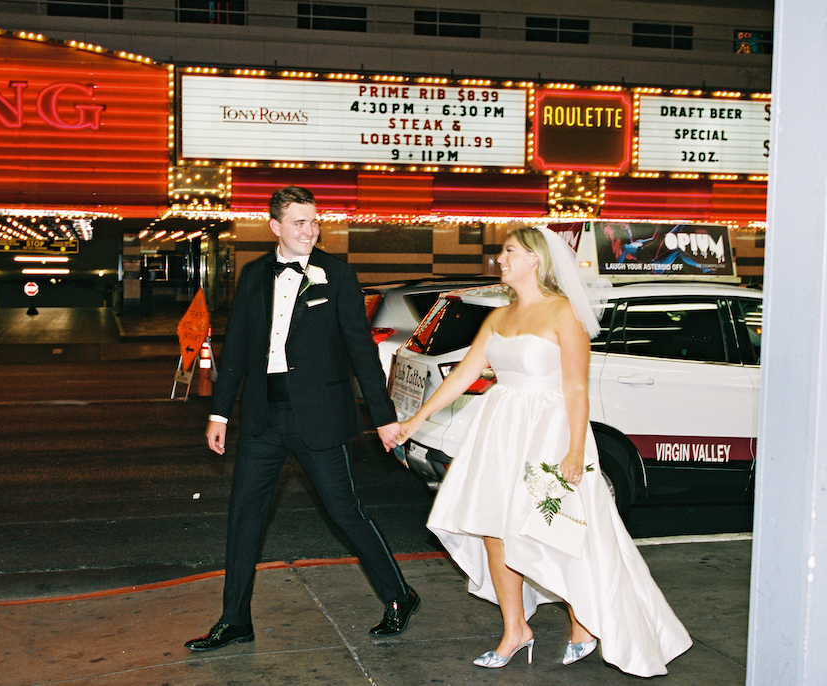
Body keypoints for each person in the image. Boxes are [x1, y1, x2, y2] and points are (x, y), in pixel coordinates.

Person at [397, 226, 692, 677]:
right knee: (493, 529)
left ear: (535, 260)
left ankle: (583, 621)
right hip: (500, 430)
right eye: (501, 252)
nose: (500, 258)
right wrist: (414, 421)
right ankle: (515, 629)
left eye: (509, 251)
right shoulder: (497, 318)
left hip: (549, 431)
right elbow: (461, 377)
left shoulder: (563, 312)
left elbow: (575, 386)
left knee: (555, 527)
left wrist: (575, 450)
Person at [185, 185, 418, 652]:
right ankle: (234, 619)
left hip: (318, 417)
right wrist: (219, 413)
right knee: (243, 517)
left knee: (344, 511)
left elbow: (361, 351)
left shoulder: (338, 275)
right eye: (299, 222)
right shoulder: (253, 276)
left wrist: (384, 417)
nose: (310, 230)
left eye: (314, 221)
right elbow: (237, 351)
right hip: (263, 419)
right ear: (275, 227)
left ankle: (399, 595)